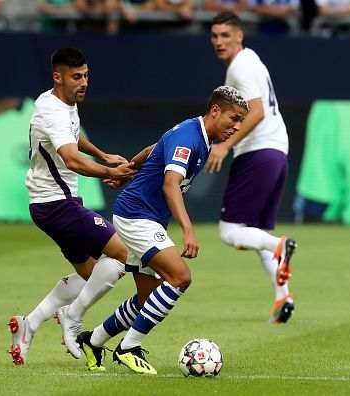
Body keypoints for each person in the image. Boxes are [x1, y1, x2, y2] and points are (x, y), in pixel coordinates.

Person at [75, 86, 249, 374]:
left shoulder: (196, 132)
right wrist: (188, 230)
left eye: (241, 121)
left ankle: (93, 340)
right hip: (137, 216)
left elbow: (154, 149)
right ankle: (128, 347)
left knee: (147, 298)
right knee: (180, 277)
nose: (237, 127)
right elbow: (171, 185)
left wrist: (129, 170)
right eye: (234, 118)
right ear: (215, 111)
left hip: (143, 216)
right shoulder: (190, 137)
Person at [7, 47, 138, 365]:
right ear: (58, 77)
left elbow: (72, 137)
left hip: (52, 204)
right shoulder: (51, 110)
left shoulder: (60, 102)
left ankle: (30, 324)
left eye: (86, 76)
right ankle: (72, 316)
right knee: (126, 254)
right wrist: (109, 171)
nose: (84, 83)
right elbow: (69, 157)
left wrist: (103, 154)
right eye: (76, 76)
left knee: (91, 274)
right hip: (57, 205)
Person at [207, 11, 297, 324]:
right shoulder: (253, 60)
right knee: (254, 234)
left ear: (239, 36)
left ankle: (280, 246)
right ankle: (282, 296)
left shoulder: (240, 66)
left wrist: (224, 145)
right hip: (277, 152)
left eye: (225, 36)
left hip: (257, 153)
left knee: (230, 232)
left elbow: (255, 111)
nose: (219, 42)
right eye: (215, 36)